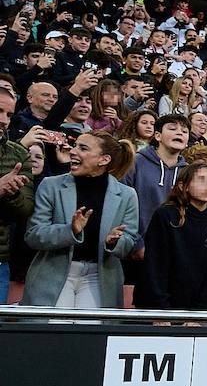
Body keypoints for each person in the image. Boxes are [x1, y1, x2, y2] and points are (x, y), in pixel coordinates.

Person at [23, 131, 139, 308]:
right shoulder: (50, 185)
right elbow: (34, 235)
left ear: (104, 160)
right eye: (75, 145)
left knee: (90, 333)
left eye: (83, 148)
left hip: (99, 276)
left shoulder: (127, 195)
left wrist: (114, 242)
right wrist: (70, 230)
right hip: (55, 273)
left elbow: (129, 241)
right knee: (53, 333)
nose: (73, 151)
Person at [135, 162, 207, 310]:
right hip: (158, 306)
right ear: (184, 186)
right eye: (201, 180)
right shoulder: (165, 215)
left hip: (196, 307)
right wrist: (160, 311)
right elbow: (155, 265)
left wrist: (202, 312)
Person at [0, 86, 35, 299]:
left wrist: (11, 194)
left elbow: (26, 210)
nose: (3, 120)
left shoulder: (19, 153)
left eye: (9, 114)